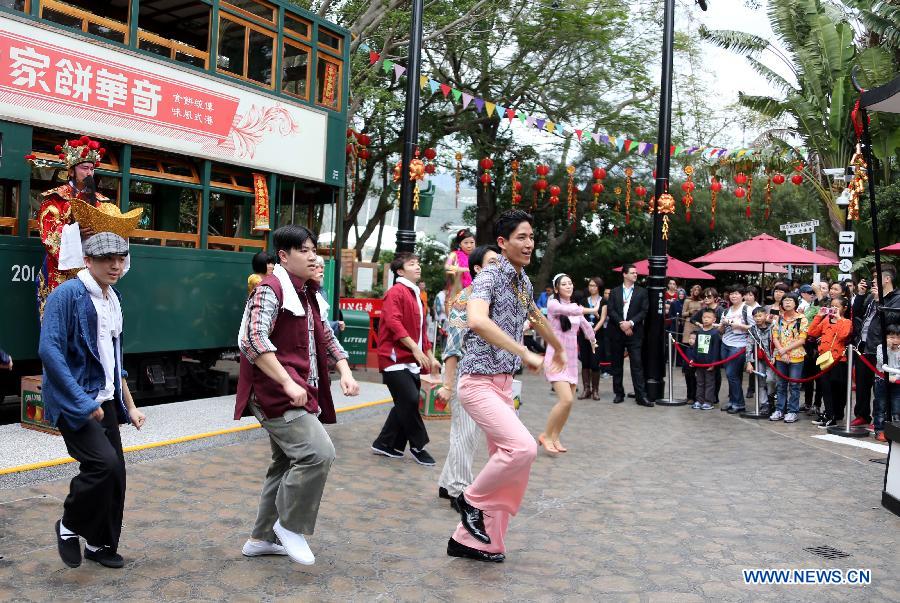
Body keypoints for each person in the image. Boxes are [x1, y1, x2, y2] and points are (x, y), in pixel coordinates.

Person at [235, 225, 359, 566]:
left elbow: (326, 338)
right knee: (318, 453)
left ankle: (261, 539)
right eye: (304, 250)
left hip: (299, 393)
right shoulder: (269, 290)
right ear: (284, 256)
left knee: (286, 462)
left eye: (313, 249)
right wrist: (288, 383)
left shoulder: (307, 293)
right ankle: (289, 525)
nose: (313, 256)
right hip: (275, 394)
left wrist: (345, 371)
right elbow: (253, 341)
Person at [447, 209, 564, 563]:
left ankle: (475, 541)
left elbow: (536, 317)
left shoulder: (522, 281)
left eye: (532, 237)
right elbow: (477, 320)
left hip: (503, 386)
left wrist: (557, 347)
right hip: (478, 384)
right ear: (503, 242)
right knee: (523, 449)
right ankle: (469, 500)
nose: (529, 244)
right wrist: (524, 352)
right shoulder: (489, 278)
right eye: (522, 237)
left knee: (509, 460)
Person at [40, 230, 146, 570]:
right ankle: (70, 525)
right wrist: (81, 402)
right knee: (103, 465)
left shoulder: (112, 298)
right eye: (107, 260)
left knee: (116, 477)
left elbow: (113, 357)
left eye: (120, 259)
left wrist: (128, 405)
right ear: (88, 261)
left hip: (106, 401)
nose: (116, 265)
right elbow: (49, 351)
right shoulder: (68, 295)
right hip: (76, 401)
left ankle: (100, 545)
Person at [436, 245, 500, 508]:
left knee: (468, 433)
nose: (500, 267)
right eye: (493, 263)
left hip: (486, 375)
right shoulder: (467, 298)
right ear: (477, 268)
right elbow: (453, 345)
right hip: (464, 372)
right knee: (465, 434)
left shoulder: (495, 297)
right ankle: (459, 491)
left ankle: (446, 482)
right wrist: (447, 385)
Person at [371, 252, 441, 466]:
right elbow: (393, 323)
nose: (418, 267)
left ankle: (385, 443)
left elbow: (421, 331)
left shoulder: (416, 295)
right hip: (394, 359)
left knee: (405, 402)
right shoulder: (396, 292)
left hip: (412, 360)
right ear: (400, 271)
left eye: (418, 263)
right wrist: (415, 349)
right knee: (410, 400)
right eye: (412, 264)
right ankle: (418, 445)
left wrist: (430, 355)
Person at [33, 136, 111, 318]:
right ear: (71, 170)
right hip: (59, 274)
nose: (89, 173)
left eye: (92, 168)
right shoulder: (55, 200)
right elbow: (49, 234)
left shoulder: (101, 202)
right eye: (84, 168)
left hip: (93, 272)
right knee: (59, 322)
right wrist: (77, 233)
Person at [540, 273, 597, 454]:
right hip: (556, 359)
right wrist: (591, 310)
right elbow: (574, 311)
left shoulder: (573, 307)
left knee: (569, 403)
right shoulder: (553, 305)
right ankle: (546, 436)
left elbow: (585, 326)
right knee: (566, 399)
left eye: (570, 283)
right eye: (564, 284)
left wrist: (593, 341)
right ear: (556, 289)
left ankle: (555, 437)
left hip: (571, 360)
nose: (568, 286)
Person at [855, 265, 900, 429]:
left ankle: (879, 419)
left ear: (887, 279)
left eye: (876, 278)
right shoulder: (871, 295)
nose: (872, 281)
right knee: (861, 384)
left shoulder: (896, 297)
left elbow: (892, 319)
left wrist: (878, 301)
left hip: (881, 347)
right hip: (863, 345)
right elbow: (858, 313)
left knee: (879, 386)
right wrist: (860, 295)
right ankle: (861, 414)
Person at [606, 264, 651, 406]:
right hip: (617, 332)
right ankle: (618, 393)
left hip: (634, 332)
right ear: (624, 274)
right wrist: (622, 324)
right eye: (632, 273)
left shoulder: (642, 292)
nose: (635, 275)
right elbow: (611, 310)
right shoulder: (614, 292)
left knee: (637, 364)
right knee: (617, 364)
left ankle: (640, 396)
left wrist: (630, 323)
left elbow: (644, 311)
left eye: (636, 273)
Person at [807, 297, 852, 429]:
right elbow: (812, 332)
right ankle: (829, 414)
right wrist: (819, 316)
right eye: (832, 306)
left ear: (844, 308)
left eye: (837, 307)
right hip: (825, 360)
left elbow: (843, 335)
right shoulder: (826, 319)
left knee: (837, 390)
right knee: (826, 389)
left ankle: (835, 415)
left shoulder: (846, 322)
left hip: (839, 361)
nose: (833, 309)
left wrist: (838, 319)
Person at [770, 293, 808, 423]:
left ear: (795, 303)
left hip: (796, 356)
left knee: (794, 385)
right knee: (780, 385)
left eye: (790, 300)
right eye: (785, 300)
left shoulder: (801, 318)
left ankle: (793, 411)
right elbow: (775, 336)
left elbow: (802, 339)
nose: (787, 303)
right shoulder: (779, 318)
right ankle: (780, 409)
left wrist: (785, 350)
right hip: (781, 356)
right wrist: (781, 351)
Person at [719, 285, 751, 414]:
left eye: (737, 293)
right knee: (732, 374)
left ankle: (739, 403)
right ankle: (732, 401)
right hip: (726, 343)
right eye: (731, 293)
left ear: (742, 295)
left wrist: (739, 325)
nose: (733, 296)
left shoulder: (747, 310)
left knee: (731, 374)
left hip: (740, 345)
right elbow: (721, 330)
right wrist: (723, 324)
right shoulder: (726, 311)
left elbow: (754, 327)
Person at [577, 277, 606, 400]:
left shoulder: (604, 301)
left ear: (599, 287)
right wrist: (586, 330)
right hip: (584, 335)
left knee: (595, 363)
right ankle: (586, 389)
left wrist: (593, 331)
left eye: (594, 285)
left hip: (597, 335)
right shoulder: (583, 300)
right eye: (590, 285)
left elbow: (603, 318)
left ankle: (595, 390)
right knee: (585, 362)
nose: (592, 288)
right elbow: (580, 316)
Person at [745, 307, 775, 415]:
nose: (758, 318)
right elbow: (749, 346)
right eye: (755, 316)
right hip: (760, 359)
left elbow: (777, 342)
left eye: (760, 315)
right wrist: (749, 362)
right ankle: (764, 404)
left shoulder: (772, 327)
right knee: (761, 381)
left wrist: (775, 356)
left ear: (765, 315)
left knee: (770, 380)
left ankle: (771, 398)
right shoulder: (752, 330)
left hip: (772, 359)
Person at [874, 324, 900, 442]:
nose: (895, 340)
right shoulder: (881, 347)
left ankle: (895, 431)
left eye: (897, 337)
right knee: (881, 406)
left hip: (897, 382)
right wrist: (888, 348)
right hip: (881, 381)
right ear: (885, 337)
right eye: (891, 337)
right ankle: (879, 430)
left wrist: (896, 377)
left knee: (896, 407)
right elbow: (881, 361)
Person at [691, 309, 721, 411]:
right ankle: (699, 400)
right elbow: (695, 347)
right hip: (699, 362)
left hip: (709, 363)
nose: (706, 319)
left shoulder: (715, 333)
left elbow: (716, 349)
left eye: (709, 317)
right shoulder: (699, 332)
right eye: (704, 317)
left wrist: (713, 363)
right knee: (699, 382)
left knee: (709, 383)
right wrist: (693, 359)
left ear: (714, 319)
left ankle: (708, 401)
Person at [445, 228, 476, 301]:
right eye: (466, 243)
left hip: (474, 293)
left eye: (472, 242)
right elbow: (447, 267)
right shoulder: (454, 255)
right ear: (460, 244)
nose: (469, 245)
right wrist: (465, 269)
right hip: (457, 292)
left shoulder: (477, 256)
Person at [682, 332, 697, 406]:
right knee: (688, 384)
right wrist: (683, 369)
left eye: (694, 339)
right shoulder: (688, 348)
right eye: (690, 338)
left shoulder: (697, 350)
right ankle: (688, 397)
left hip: (693, 370)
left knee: (693, 384)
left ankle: (693, 398)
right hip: (687, 370)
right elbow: (685, 359)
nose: (691, 340)